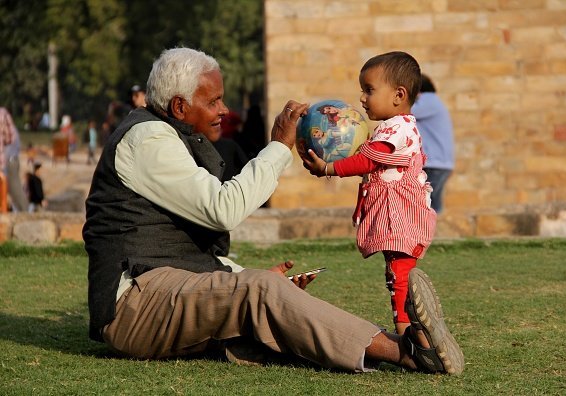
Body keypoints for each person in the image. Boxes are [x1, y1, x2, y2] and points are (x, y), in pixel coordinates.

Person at [82, 47, 463, 375]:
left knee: (262, 287)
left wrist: (236, 274)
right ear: (180, 106)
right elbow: (222, 209)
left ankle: (386, 344)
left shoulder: (170, 135)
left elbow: (180, 244)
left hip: (162, 290)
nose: (224, 109)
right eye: (213, 101)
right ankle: (406, 352)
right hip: (133, 307)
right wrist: (280, 147)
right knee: (260, 289)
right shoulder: (147, 139)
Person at [303, 52, 440, 340]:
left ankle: (413, 334)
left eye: (369, 90)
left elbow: (368, 161)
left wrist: (329, 167)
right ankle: (414, 326)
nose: (362, 99)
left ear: (398, 95)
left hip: (398, 214)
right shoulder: (394, 127)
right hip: (398, 211)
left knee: (399, 274)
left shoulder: (397, 129)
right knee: (396, 271)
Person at [411, 75, 455, 214]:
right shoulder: (433, 102)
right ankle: (434, 233)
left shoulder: (428, 100)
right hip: (439, 163)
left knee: (427, 204)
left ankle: (431, 233)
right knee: (432, 203)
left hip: (434, 163)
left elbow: (404, 112)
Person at [0, 107, 28, 212]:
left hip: (9, 161)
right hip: (5, 160)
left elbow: (9, 139)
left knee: (15, 191)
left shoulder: (2, 114)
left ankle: (26, 216)